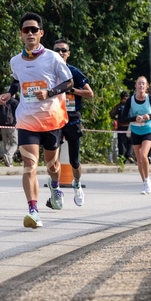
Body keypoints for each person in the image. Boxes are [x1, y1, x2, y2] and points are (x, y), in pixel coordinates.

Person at [0, 12, 73, 228]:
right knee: (29, 165)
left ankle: (55, 186)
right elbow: (17, 80)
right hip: (26, 120)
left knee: (52, 166)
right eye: (26, 30)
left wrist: (49, 93)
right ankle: (33, 211)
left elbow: (69, 83)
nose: (30, 33)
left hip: (51, 120)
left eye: (34, 30)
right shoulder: (15, 61)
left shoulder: (53, 57)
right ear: (21, 34)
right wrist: (10, 93)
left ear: (41, 33)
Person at [52, 39, 94, 207]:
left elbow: (90, 93)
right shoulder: (48, 71)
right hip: (54, 119)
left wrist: (72, 90)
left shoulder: (73, 71)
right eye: (57, 50)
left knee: (74, 161)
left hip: (72, 119)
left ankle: (77, 183)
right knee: (52, 160)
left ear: (68, 53)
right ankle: (55, 189)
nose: (60, 53)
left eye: (63, 50)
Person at [120, 76, 151, 194]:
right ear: (135, 86)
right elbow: (123, 118)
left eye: (143, 84)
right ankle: (144, 183)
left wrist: (149, 116)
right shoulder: (130, 100)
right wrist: (135, 118)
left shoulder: (150, 99)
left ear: (146, 87)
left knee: (144, 155)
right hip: (135, 131)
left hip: (148, 130)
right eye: (139, 83)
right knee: (139, 160)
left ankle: (148, 180)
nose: (141, 86)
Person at [110, 91, 135, 163]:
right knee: (130, 142)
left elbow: (112, 114)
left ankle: (122, 157)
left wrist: (116, 119)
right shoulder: (132, 105)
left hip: (121, 126)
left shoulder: (119, 106)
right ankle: (129, 155)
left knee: (122, 143)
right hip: (131, 126)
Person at [0, 90, 18, 167]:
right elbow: (18, 114)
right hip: (12, 126)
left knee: (6, 143)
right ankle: (8, 156)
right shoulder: (15, 102)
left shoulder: (0, 102)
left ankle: (9, 162)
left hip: (2, 127)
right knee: (14, 143)